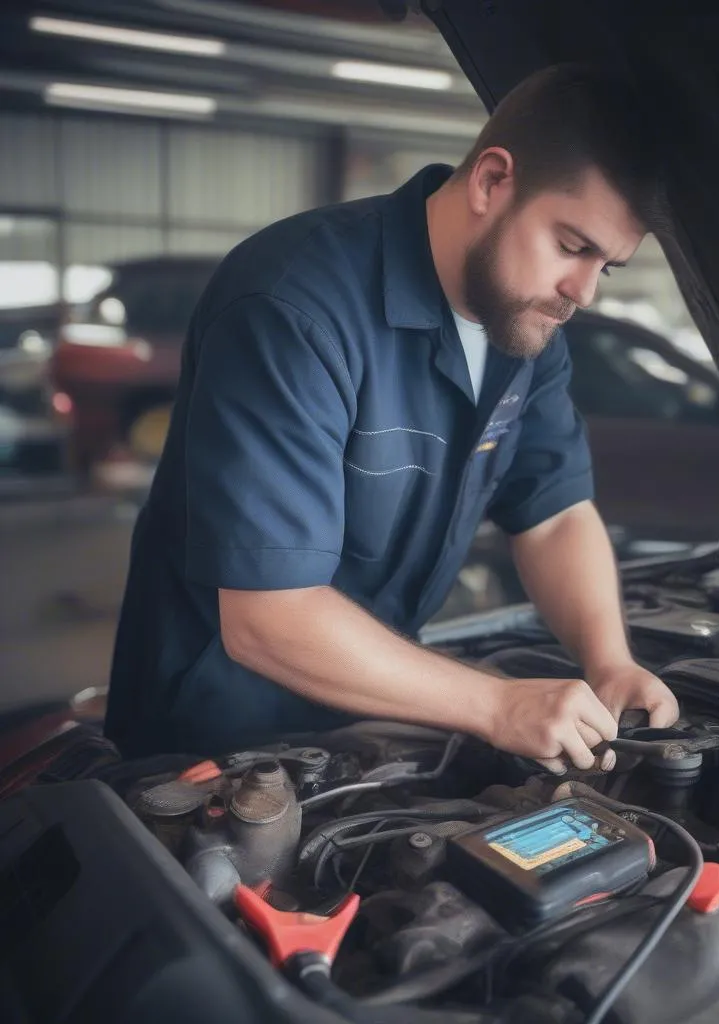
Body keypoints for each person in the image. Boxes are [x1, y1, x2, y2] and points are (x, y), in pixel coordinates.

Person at [105, 63, 679, 771]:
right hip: (215, 742)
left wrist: (609, 661)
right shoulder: (293, 308)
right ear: (492, 182)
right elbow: (269, 618)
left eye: (608, 267)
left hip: (378, 711)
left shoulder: (522, 324)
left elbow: (554, 513)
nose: (583, 291)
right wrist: (499, 705)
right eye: (572, 246)